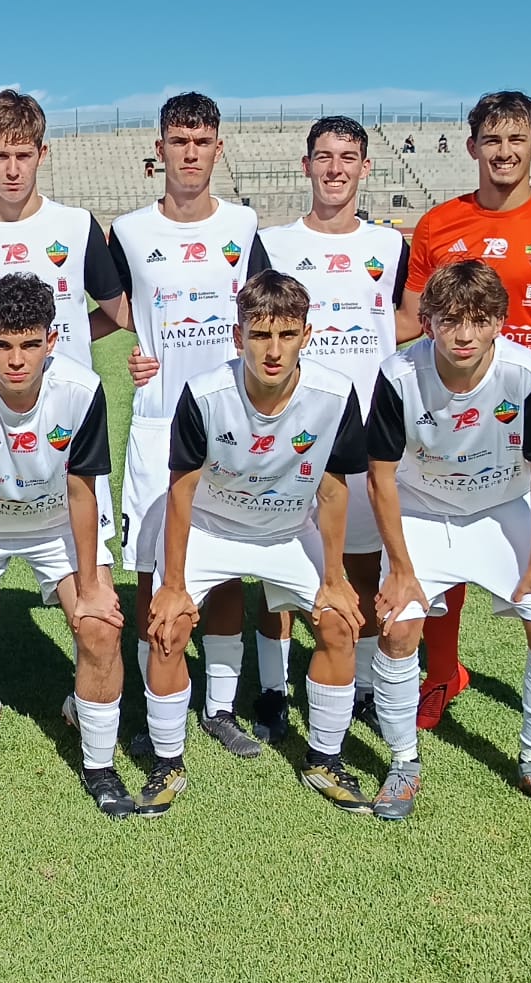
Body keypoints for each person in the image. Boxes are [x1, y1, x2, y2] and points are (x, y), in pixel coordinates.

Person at [394, 90, 531, 754]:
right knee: (443, 543)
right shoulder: (437, 225)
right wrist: (334, 347)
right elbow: (411, 321)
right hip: (447, 419)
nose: (504, 152)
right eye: (492, 139)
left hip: (527, 417)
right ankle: (442, 674)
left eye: (516, 139)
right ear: (472, 146)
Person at [0, 89, 126, 746]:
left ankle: (85, 708)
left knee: (94, 608)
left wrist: (66, 346)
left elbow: (120, 311)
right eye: (1, 155)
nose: (13, 168)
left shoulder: (76, 226)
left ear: (43, 154)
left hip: (64, 439)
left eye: (25, 154)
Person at [365, 260, 531, 823]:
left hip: (500, 508)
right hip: (423, 508)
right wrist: (401, 568)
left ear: (500, 323)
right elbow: (381, 477)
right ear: (428, 322)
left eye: (480, 321)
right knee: (399, 628)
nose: (464, 335)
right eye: (450, 321)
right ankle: (403, 763)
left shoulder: (526, 373)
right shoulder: (398, 375)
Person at [141, 270, 368, 816]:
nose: (273, 350)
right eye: (260, 334)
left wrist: (334, 578)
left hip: (287, 531)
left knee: (339, 623)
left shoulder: (336, 395)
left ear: (306, 335)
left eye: (287, 335)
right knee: (168, 629)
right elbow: (181, 493)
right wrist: (173, 585)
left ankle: (325, 760)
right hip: (209, 527)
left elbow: (333, 492)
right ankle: (167, 763)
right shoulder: (204, 394)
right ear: (237, 335)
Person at [0, 274, 129, 817]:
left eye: (30, 344)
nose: (16, 360)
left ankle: (100, 766)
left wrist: (91, 587)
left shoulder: (82, 389)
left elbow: (83, 493)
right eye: (2, 344)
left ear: (52, 340)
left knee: (100, 627)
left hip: (58, 523)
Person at [106, 92, 270, 743]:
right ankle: (152, 704)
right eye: (179, 141)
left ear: (218, 148)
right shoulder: (129, 231)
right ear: (160, 149)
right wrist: (140, 341)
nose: (190, 153)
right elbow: (114, 306)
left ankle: (221, 706)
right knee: (152, 568)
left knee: (223, 565)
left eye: (202, 142)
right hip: (158, 421)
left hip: (230, 416)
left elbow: (264, 312)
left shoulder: (244, 226)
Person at [252, 116, 409, 743]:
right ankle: (271, 689)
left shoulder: (389, 245)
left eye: (348, 157)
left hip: (364, 430)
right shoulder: (273, 244)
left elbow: (407, 317)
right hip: (287, 428)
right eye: (324, 156)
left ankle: (363, 684)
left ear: (365, 167)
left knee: (363, 564)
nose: (335, 168)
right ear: (306, 165)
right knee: (279, 568)